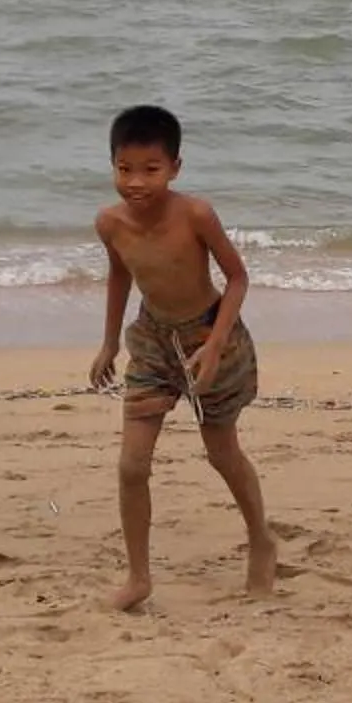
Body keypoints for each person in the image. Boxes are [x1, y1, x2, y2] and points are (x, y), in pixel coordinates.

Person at [87, 103, 274, 610]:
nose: (136, 182)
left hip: (211, 335)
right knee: (131, 466)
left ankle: (261, 540)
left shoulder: (195, 214)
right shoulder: (110, 224)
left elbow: (238, 278)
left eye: (151, 169)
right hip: (151, 340)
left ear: (175, 168)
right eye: (124, 169)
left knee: (221, 452)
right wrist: (109, 342)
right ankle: (139, 577)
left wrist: (214, 345)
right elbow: (121, 276)